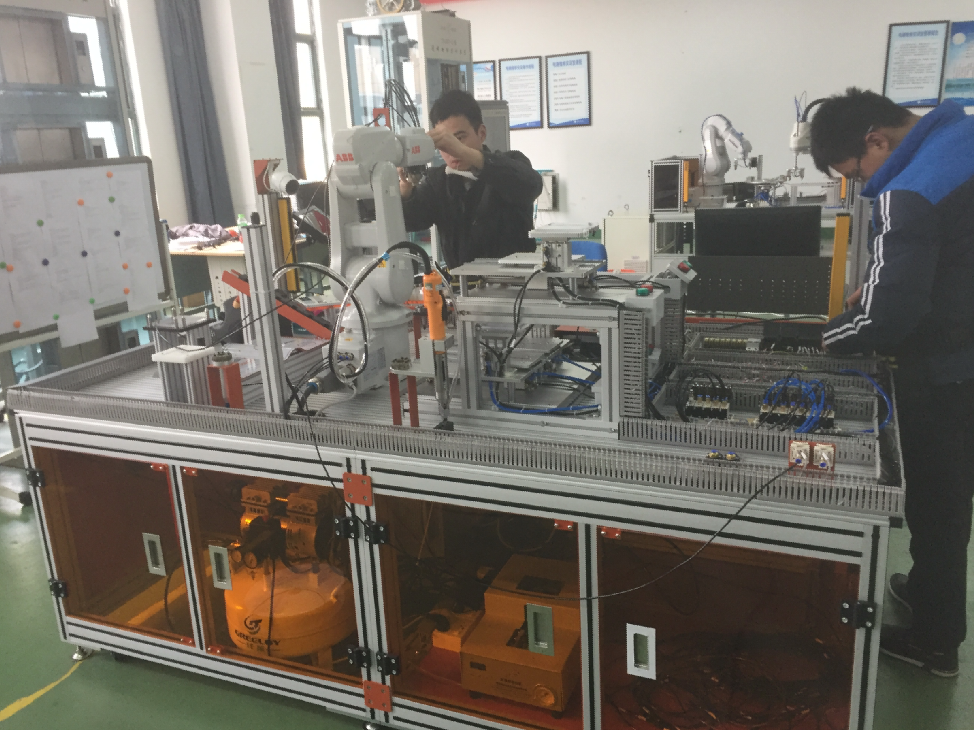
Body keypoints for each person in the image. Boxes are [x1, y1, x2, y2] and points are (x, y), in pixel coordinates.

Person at [810, 88, 974, 678]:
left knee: (937, 503)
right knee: (952, 498)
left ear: (876, 140)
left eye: (855, 173)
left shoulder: (912, 186)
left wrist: (827, 338)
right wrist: (886, 287)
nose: (861, 185)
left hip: (949, 371)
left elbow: (887, 318)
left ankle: (935, 641)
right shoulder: (962, 137)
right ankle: (927, 589)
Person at [399, 90, 543, 269]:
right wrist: (405, 191)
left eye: (459, 139)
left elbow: (531, 185)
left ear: (481, 133)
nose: (452, 150)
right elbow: (413, 221)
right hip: (462, 283)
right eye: (444, 144)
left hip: (515, 282)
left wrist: (465, 152)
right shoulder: (437, 181)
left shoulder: (510, 164)